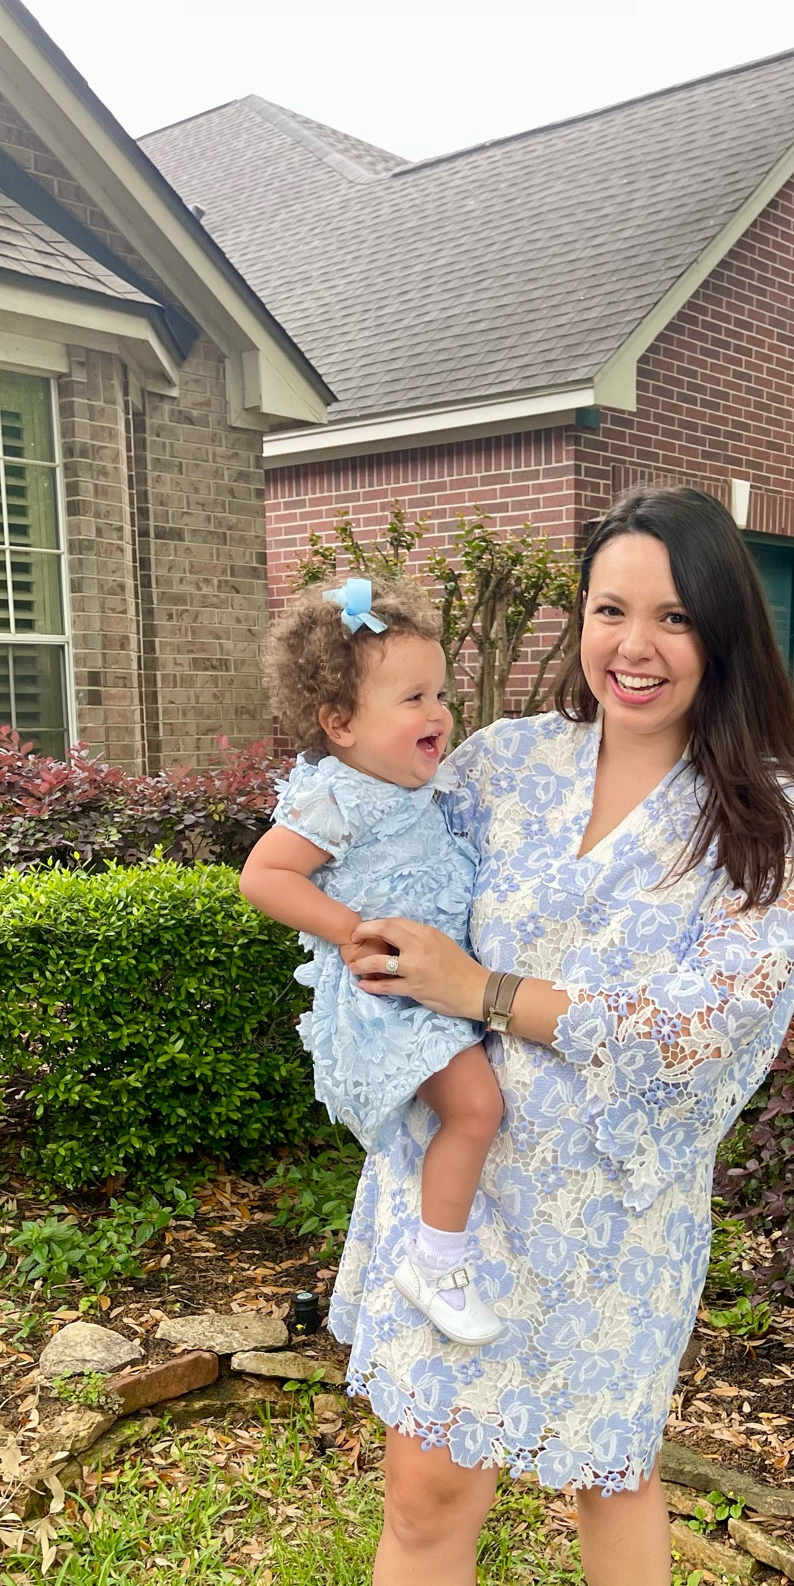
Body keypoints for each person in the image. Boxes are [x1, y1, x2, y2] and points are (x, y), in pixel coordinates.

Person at [324, 487, 794, 1586]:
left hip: (620, 1211)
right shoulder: (500, 763)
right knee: (428, 1488)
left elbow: (705, 1034)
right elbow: (370, 843)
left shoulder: (773, 820)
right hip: (459, 1197)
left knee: (613, 1469)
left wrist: (486, 992)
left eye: (673, 615)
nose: (635, 644)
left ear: (723, 633)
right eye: (612, 608)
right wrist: (339, 910)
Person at [239, 576, 507, 1348]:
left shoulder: (418, 787)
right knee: (476, 1109)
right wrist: (349, 929)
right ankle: (436, 1264)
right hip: (390, 995)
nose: (439, 713)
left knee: (474, 1109)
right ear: (340, 722)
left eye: (441, 694)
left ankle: (435, 1253)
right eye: (414, 698)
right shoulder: (338, 798)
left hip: (433, 983)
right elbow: (264, 875)